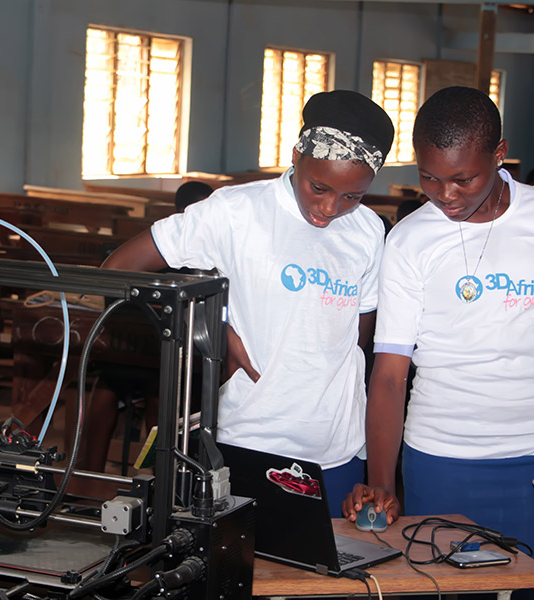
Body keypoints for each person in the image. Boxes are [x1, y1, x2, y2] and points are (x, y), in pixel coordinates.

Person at [343, 86, 534, 600]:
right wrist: (383, 481)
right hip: (441, 460)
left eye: (463, 178)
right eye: (429, 177)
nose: (445, 195)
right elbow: (390, 373)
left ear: (499, 153)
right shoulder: (409, 240)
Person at [94, 90, 395, 516]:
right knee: (245, 576)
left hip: (338, 449)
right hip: (251, 439)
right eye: (319, 187)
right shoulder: (236, 212)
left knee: (325, 577)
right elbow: (117, 273)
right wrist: (206, 326)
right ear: (296, 155)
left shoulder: (367, 231)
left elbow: (355, 345)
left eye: (353, 196)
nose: (330, 208)